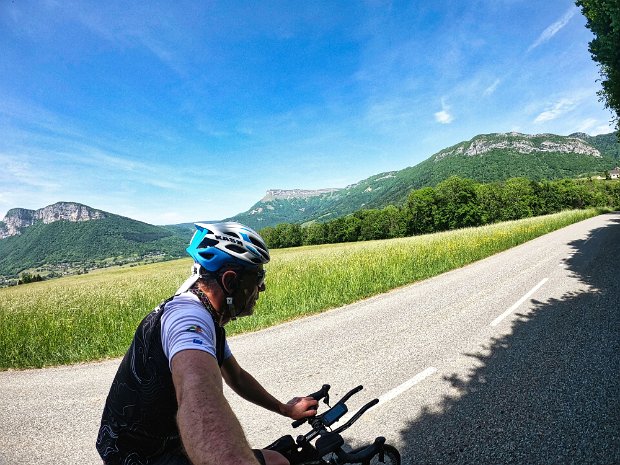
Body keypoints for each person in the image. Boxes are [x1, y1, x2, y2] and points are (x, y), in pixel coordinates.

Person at [96, 222, 318, 465]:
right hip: (141, 456)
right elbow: (197, 398)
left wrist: (285, 409)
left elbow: (237, 377)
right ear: (230, 281)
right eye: (258, 276)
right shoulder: (188, 319)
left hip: (154, 442)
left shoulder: (208, 316)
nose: (262, 288)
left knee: (278, 460)